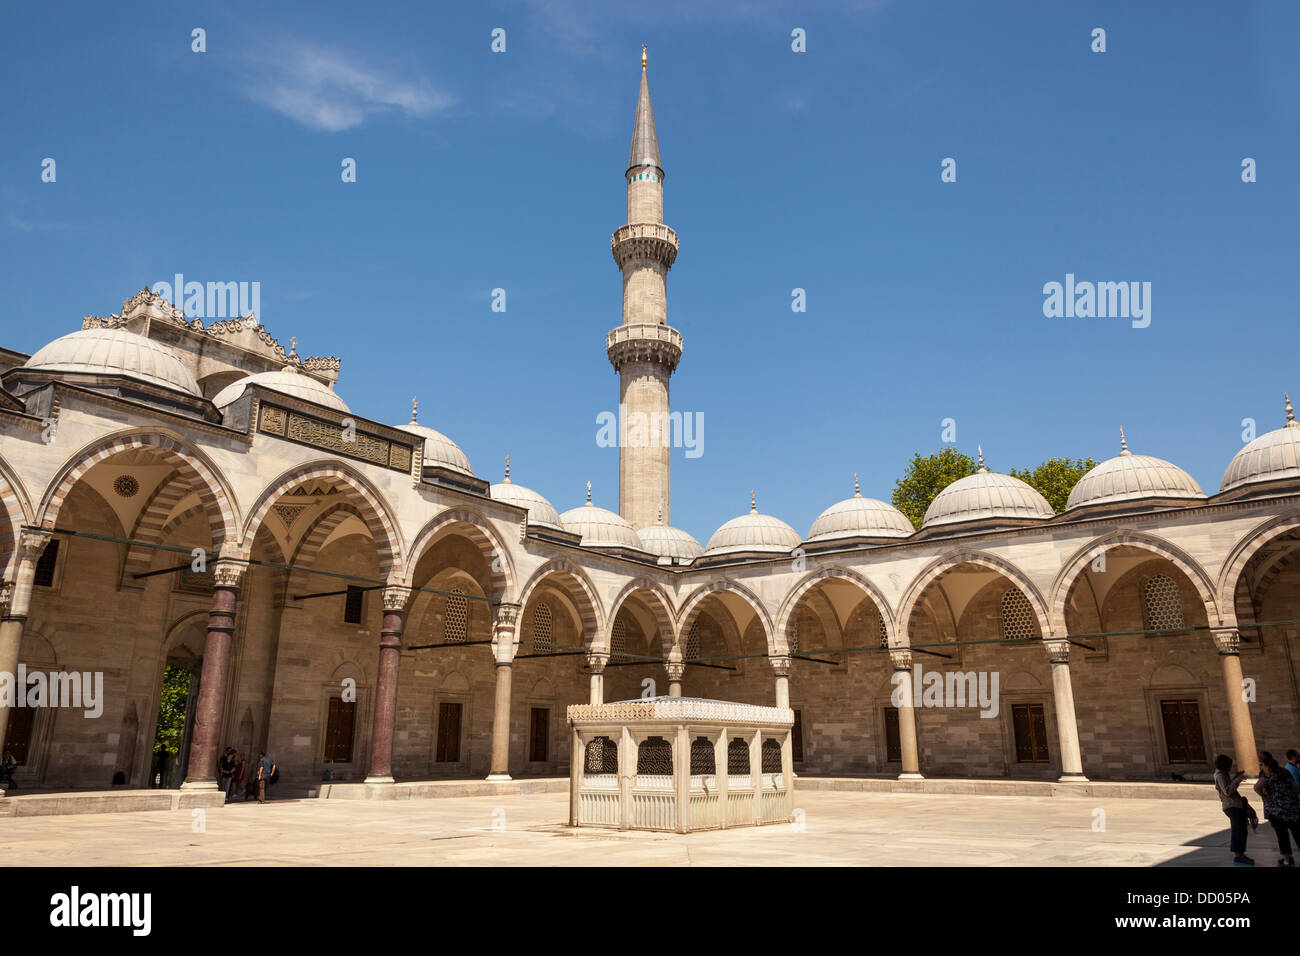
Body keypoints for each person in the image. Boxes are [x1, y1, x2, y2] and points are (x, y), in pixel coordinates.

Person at [1254, 751, 1300, 866]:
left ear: (1268, 766)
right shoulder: (1285, 774)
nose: (1262, 767)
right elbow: (1297, 790)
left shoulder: (1268, 777)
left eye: (1263, 765)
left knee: (1282, 836)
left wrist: (1265, 796)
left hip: (1278, 812)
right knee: (1298, 834)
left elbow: (1256, 787)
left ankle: (1287, 860)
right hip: (1292, 810)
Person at [1214, 754, 1254, 866]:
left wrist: (1236, 777)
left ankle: (1241, 854)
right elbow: (1227, 791)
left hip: (1236, 805)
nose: (1231, 767)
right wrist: (1238, 780)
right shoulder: (1220, 775)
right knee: (1237, 832)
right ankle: (1238, 856)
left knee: (1242, 831)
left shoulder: (1223, 774)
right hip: (1232, 806)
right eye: (1229, 765)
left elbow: (1228, 785)